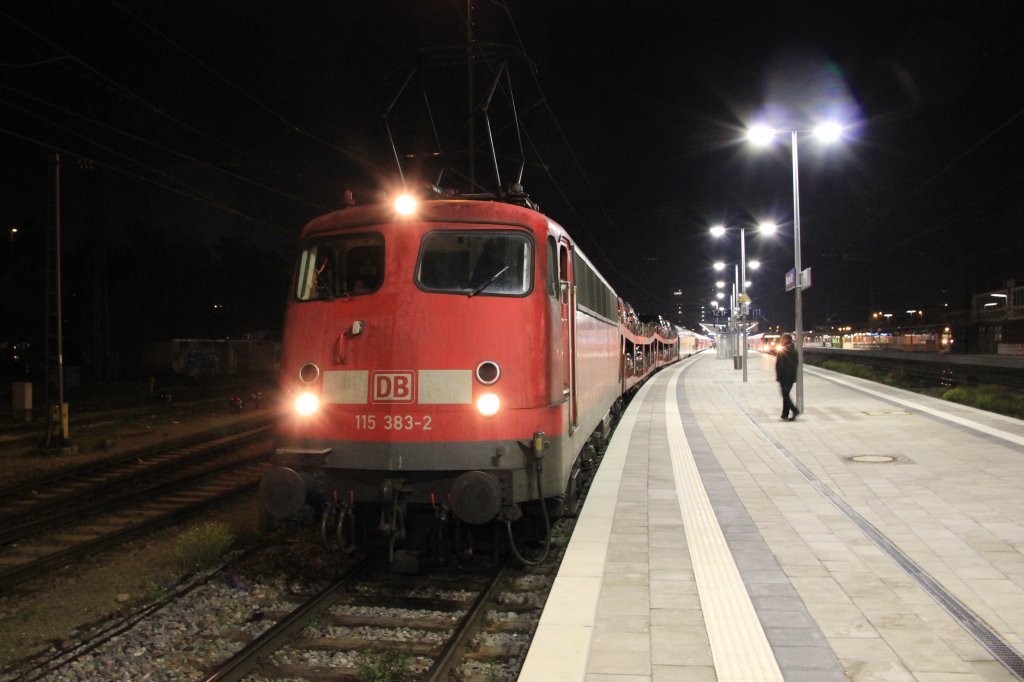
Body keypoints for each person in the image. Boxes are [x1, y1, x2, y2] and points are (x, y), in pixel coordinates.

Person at [775, 332, 799, 421]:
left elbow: (779, 365)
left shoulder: (782, 350)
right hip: (791, 376)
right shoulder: (794, 351)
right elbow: (796, 364)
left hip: (784, 376)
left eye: (782, 338)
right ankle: (785, 414)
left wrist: (779, 376)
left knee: (785, 395)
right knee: (786, 395)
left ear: (785, 340)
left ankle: (794, 410)